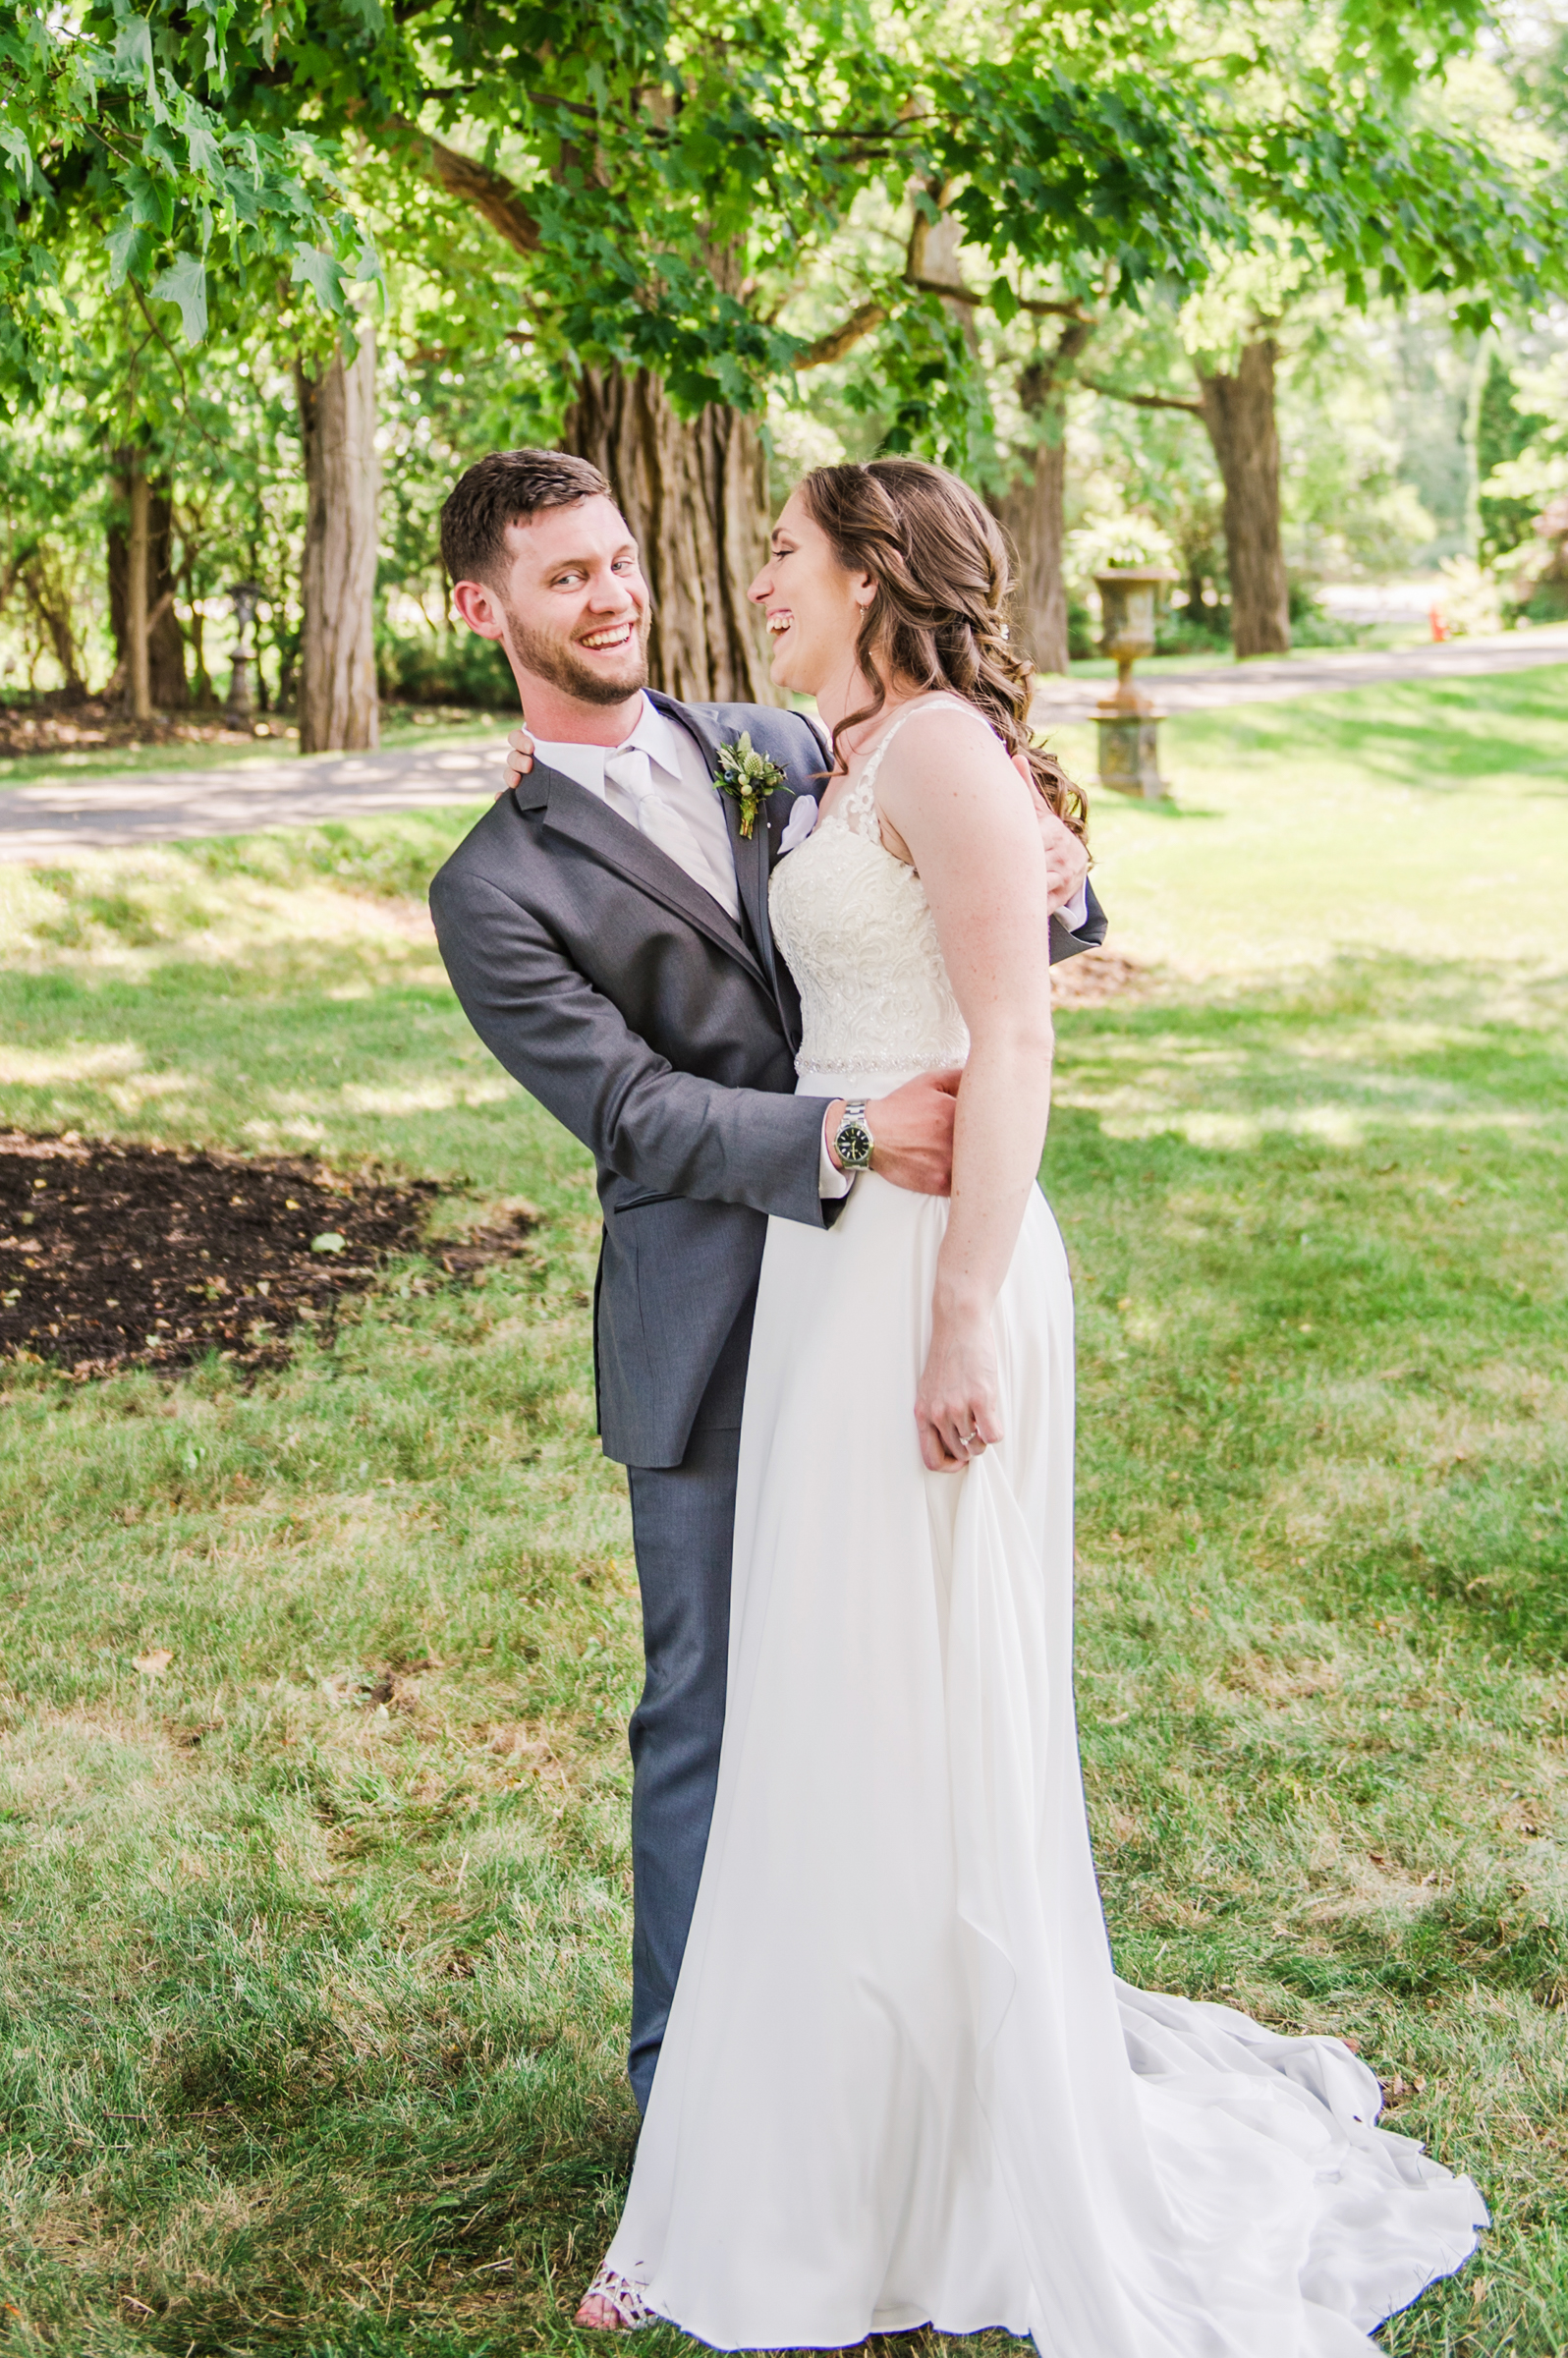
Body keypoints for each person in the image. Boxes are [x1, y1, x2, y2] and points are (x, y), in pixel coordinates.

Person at [575, 458, 1487, 2349]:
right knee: (833, 1688)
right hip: (832, 1267)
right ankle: (820, 2141)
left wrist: (970, 1313)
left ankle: (953, 2149)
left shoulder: (939, 767)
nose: (756, 578)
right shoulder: (835, 754)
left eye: (785, 553)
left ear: (871, 574)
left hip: (935, 1270)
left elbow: (1019, 1034)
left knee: (926, 1688)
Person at [426, 449, 1104, 2127]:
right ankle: (688, 2114)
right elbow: (636, 1113)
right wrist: (855, 1131)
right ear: (481, 609)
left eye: (619, 560)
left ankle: (903, 2077)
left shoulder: (774, 743)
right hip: (712, 1321)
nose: (614, 596)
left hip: (877, 1287)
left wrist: (1069, 881)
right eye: (565, 576)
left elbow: (968, 873)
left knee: (889, 1680)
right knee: (713, 1710)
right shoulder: (492, 887)